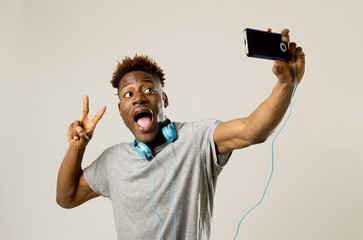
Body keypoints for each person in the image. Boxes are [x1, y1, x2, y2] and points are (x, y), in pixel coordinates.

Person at [56, 28, 305, 240]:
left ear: (163, 99)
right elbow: (66, 198)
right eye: (128, 94)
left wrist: (285, 84)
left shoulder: (197, 138)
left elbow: (252, 130)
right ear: (120, 109)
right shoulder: (112, 161)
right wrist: (77, 147)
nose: (138, 98)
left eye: (148, 90)